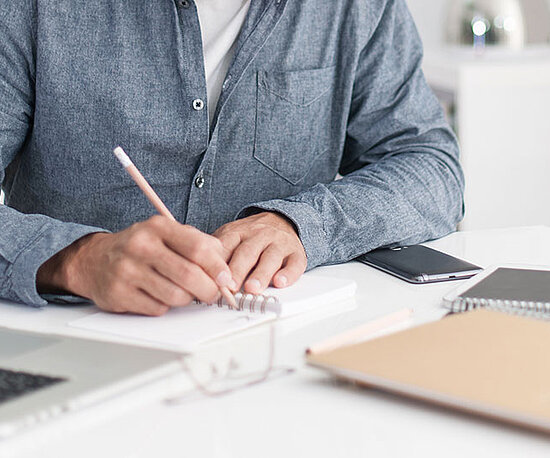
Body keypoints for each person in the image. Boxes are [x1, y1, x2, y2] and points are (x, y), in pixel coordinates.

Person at [0, 0, 464, 316]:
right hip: (78, 342)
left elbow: (431, 166)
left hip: (276, 347)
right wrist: (76, 261)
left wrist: (300, 225)